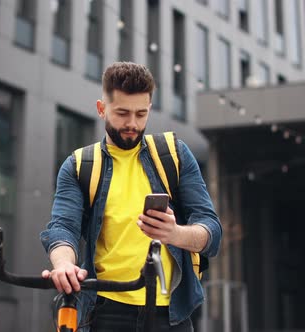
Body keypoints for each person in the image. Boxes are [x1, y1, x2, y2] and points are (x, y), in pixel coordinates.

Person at [40, 62, 221, 331]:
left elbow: (212, 230)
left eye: (141, 114)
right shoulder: (79, 165)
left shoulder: (174, 155)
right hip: (105, 312)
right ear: (102, 109)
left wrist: (175, 234)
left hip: (170, 314)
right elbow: (62, 228)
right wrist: (64, 264)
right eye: (122, 113)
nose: (132, 124)